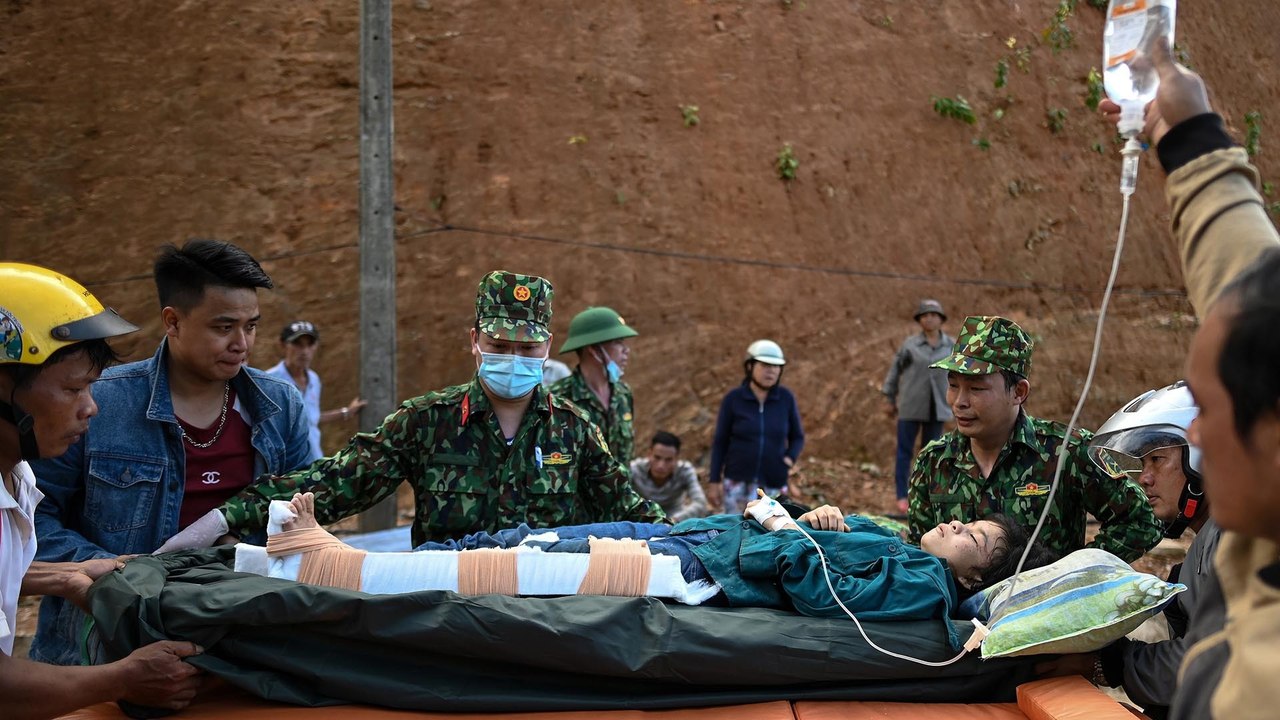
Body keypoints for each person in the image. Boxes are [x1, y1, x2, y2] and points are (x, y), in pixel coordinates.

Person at [197, 271, 665, 551]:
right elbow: (335, 484)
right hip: (449, 618)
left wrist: (701, 539)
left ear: (547, 349)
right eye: (499, 345)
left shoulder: (575, 431)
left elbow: (634, 515)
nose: (514, 358)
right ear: (474, 342)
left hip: (548, 619)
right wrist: (224, 519)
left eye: (527, 347)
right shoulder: (426, 422)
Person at [1097, 38, 1280, 720]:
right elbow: (1246, 291)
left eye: (1209, 412)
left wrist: (1107, 661)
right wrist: (1189, 138)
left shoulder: (1251, 683)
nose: (1196, 432)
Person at [30, 239, 313, 666]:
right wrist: (125, 574)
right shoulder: (99, 403)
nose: (242, 343)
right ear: (173, 321)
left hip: (248, 643)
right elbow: (33, 521)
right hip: (110, 644)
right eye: (223, 327)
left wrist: (248, 549)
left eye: (251, 326)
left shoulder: (279, 407)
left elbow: (304, 517)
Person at [259, 490, 1050, 630]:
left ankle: (327, 567)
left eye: (973, 537)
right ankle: (328, 555)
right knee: (512, 546)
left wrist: (785, 530)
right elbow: (822, 555)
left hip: (696, 574)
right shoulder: (902, 546)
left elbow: (818, 590)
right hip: (700, 542)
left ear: (973, 575)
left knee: (511, 568)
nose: (954, 527)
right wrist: (807, 519)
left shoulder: (923, 581)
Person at [0, 262, 203, 719]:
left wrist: (64, 576)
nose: (91, 408)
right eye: (73, 388)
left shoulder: (17, 477)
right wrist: (124, 677)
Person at [906, 315, 1162, 562]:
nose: (959, 402)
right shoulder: (934, 462)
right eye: (953, 386)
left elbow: (1141, 522)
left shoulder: (1067, 452)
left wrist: (1074, 573)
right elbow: (920, 552)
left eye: (976, 388)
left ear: (1018, 392)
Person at [1037, 382, 1218, 719]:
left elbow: (1213, 663)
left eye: (1157, 460)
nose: (1144, 478)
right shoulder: (1209, 538)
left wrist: (1110, 664)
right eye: (1142, 463)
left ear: (1202, 456)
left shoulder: (1231, 538)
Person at [708, 340, 805, 514]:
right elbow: (720, 442)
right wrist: (714, 481)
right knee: (738, 531)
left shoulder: (785, 399)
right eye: (765, 365)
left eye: (776, 366)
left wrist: (788, 459)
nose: (771, 370)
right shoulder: (734, 399)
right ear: (750, 366)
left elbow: (797, 436)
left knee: (773, 532)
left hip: (773, 484)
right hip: (737, 482)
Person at [882, 299, 955, 514]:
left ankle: (925, 495)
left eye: (934, 314)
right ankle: (902, 495)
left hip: (938, 407)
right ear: (919, 320)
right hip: (910, 405)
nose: (929, 318)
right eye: (925, 315)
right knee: (904, 452)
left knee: (932, 454)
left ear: (941, 319)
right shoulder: (910, 346)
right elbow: (895, 371)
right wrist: (889, 396)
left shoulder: (951, 346)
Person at [264, 320, 367, 463]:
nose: (304, 352)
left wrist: (346, 412)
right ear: (282, 345)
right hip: (287, 470)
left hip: (314, 463)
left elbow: (311, 418)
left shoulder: (313, 379)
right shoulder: (268, 382)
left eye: (309, 345)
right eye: (297, 344)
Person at [549, 306, 638, 464]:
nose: (626, 350)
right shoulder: (557, 399)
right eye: (618, 342)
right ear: (594, 350)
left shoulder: (623, 394)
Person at [628, 431, 708, 523]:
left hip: (676, 522)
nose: (661, 465)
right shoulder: (635, 469)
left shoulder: (684, 471)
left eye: (668, 460)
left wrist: (675, 519)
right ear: (649, 454)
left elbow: (700, 503)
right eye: (657, 457)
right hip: (641, 520)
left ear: (677, 459)